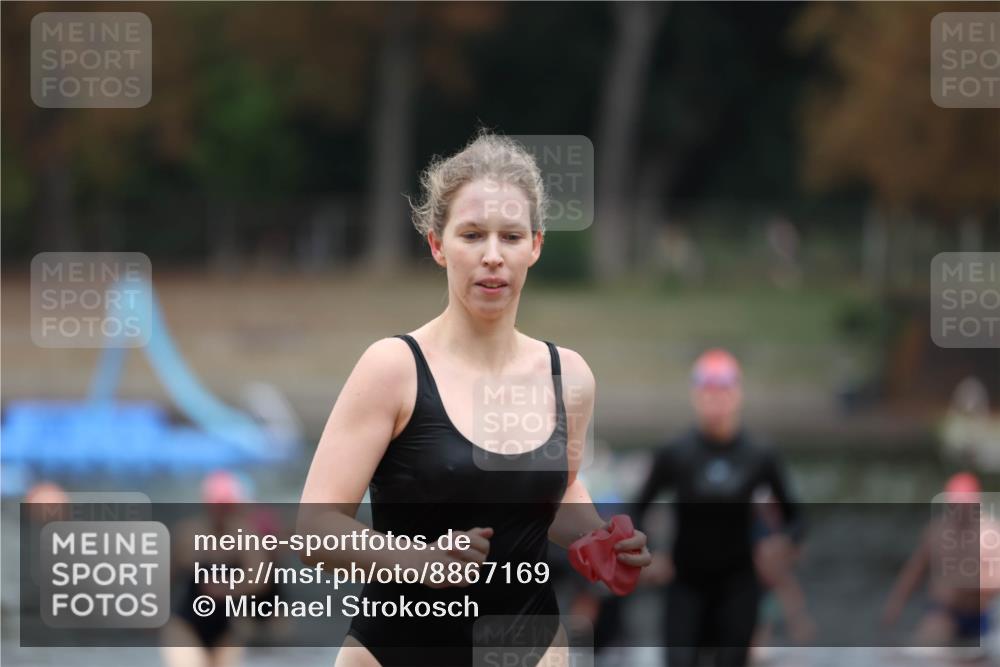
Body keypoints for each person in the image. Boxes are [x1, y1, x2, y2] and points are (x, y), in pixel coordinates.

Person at [298, 132, 651, 667]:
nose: (492, 256)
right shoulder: (393, 369)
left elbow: (559, 493)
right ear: (438, 245)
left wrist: (602, 540)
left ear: (535, 245)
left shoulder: (569, 376)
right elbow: (314, 531)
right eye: (472, 235)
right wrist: (421, 562)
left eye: (510, 237)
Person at [634, 348, 804, 667]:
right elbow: (636, 509)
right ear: (695, 396)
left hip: (738, 585)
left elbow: (796, 520)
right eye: (708, 392)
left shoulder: (759, 454)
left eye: (724, 391)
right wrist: (651, 553)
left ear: (737, 394)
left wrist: (782, 543)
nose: (716, 401)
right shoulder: (675, 453)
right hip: (685, 584)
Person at [882, 472, 1000, 655]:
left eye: (965, 504)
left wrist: (969, 585)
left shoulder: (990, 533)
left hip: (980, 614)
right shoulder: (936, 531)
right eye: (955, 504)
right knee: (925, 649)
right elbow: (914, 571)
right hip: (945, 612)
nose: (959, 509)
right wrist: (895, 605)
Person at [161, 470, 265, 667]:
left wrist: (228, 588)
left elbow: (259, 580)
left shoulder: (245, 537)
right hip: (187, 624)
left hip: (227, 627)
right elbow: (166, 578)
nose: (221, 511)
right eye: (218, 506)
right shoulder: (188, 534)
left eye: (226, 506)